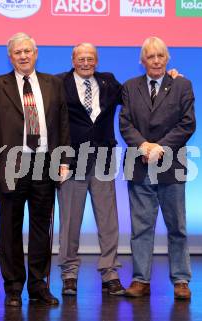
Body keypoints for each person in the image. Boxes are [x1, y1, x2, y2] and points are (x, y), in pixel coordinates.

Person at [0, 32, 70, 307]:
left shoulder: (54, 84)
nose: (23, 56)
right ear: (10, 56)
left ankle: (39, 286)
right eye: (18, 52)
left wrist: (64, 160)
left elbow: (62, 124)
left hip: (45, 162)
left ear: (36, 52)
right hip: (10, 164)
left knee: (43, 228)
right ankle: (14, 288)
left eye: (27, 51)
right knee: (10, 228)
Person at [119, 36, 196, 300]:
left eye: (160, 56)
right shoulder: (130, 87)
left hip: (171, 165)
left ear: (168, 59)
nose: (155, 61)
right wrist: (143, 146)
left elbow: (187, 124)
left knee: (177, 228)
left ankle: (181, 280)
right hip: (139, 166)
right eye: (150, 56)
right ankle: (141, 280)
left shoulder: (182, 84)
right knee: (141, 228)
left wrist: (160, 147)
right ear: (142, 61)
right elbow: (125, 123)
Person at [55, 43, 125, 296]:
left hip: (103, 157)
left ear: (97, 61)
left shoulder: (108, 81)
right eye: (81, 58)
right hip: (72, 159)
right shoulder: (58, 82)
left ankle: (110, 272)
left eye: (91, 58)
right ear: (73, 60)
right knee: (70, 219)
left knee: (108, 219)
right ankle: (69, 273)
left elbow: (136, 93)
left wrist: (169, 77)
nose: (86, 62)